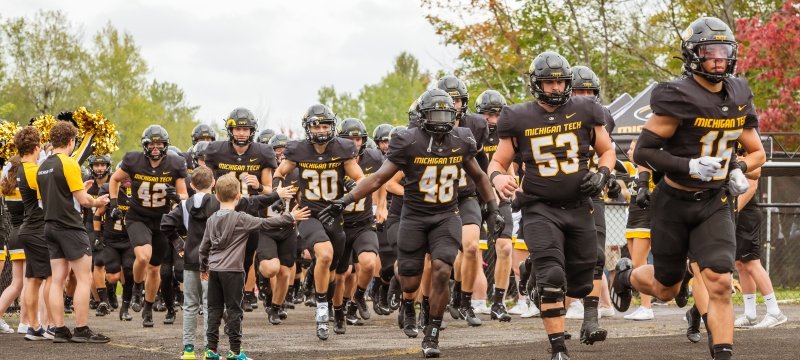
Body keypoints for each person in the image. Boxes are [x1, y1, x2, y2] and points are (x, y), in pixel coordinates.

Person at [611, 17, 766, 360]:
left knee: (720, 281)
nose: (718, 59)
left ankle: (723, 353)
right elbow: (643, 151)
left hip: (714, 201)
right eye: (710, 51)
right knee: (668, 288)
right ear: (693, 55)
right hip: (673, 202)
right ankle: (626, 277)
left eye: (725, 51)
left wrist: (738, 168)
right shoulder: (676, 94)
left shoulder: (739, 92)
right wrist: (688, 165)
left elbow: (758, 152)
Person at [317, 88, 503, 358]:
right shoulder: (408, 140)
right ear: (423, 116)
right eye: (436, 113)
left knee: (441, 269)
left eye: (446, 113)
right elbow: (379, 178)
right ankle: (407, 303)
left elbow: (480, 177)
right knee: (410, 280)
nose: (441, 119)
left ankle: (432, 333)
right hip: (414, 217)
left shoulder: (462, 139)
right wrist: (345, 200)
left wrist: (492, 208)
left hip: (446, 215)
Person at [487, 51, 617, 360]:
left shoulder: (587, 110)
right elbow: (497, 160)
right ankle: (559, 348)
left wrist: (602, 174)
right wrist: (497, 178)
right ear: (536, 84)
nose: (556, 88)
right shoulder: (518, 117)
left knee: (584, 280)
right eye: (550, 82)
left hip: (579, 205)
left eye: (561, 82)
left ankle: (532, 270)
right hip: (539, 207)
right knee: (552, 280)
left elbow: (608, 151)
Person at [271, 104, 366, 341]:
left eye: (325, 125)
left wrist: (346, 198)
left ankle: (337, 309)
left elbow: (361, 178)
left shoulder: (343, 148)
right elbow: (279, 173)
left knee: (334, 273)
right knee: (324, 254)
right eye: (317, 125)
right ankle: (322, 311)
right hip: (308, 213)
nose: (321, 130)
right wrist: (278, 192)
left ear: (332, 127)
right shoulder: (298, 150)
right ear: (308, 128)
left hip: (334, 214)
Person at [199, 173, 310, 360]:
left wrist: (204, 268)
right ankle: (234, 351)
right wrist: (291, 217)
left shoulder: (211, 219)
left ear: (216, 196)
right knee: (234, 310)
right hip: (233, 271)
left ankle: (211, 350)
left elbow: (204, 247)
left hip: (215, 270)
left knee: (214, 310)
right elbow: (267, 223)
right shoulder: (241, 218)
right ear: (238, 197)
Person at [37, 121, 111, 343]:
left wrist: (81, 190)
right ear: (71, 141)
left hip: (49, 225)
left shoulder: (43, 166)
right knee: (83, 278)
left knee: (57, 280)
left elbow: (49, 197)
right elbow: (83, 201)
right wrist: (97, 200)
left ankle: (59, 329)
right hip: (69, 225)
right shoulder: (69, 163)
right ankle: (81, 329)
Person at [108, 125, 188, 328]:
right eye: (151, 143)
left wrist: (176, 197)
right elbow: (114, 179)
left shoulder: (176, 163)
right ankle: (136, 288)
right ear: (144, 145)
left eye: (159, 144)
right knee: (143, 256)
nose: (155, 148)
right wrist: (114, 203)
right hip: (138, 217)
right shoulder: (133, 160)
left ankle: (148, 309)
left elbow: (184, 195)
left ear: (165, 145)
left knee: (155, 269)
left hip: (162, 220)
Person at [204, 108, 277, 313]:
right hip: (223, 216)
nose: (242, 133)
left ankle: (240, 295)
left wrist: (260, 187)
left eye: (246, 129)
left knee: (245, 260)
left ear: (252, 131)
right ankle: (221, 300)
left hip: (250, 216)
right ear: (230, 130)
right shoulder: (216, 151)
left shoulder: (262, 152)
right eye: (238, 129)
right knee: (220, 257)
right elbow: (206, 185)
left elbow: (270, 190)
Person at [335, 118, 386, 331]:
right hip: (339, 223)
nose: (354, 143)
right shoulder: (331, 158)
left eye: (357, 138)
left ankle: (358, 296)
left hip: (363, 222)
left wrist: (382, 205)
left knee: (368, 263)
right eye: (349, 139)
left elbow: (381, 180)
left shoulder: (374, 157)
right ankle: (338, 311)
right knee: (342, 274)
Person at [473, 89, 515, 322]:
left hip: (499, 197)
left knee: (505, 247)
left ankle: (498, 302)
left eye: (497, 114)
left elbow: (508, 166)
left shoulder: (506, 135)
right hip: (474, 197)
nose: (493, 120)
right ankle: (466, 296)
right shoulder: (470, 133)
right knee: (469, 251)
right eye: (488, 114)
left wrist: (511, 186)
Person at [732, 150, 786, 329]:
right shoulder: (727, 143)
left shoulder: (748, 146)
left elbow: (752, 184)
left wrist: (732, 212)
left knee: (752, 263)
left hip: (746, 214)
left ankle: (775, 312)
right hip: (736, 213)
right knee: (740, 264)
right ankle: (750, 313)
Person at [14, 127, 53, 341]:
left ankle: (33, 326)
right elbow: (46, 197)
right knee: (49, 278)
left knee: (32, 280)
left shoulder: (22, 167)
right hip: (37, 229)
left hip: (28, 228)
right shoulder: (31, 170)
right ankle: (43, 325)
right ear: (37, 147)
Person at [93, 166, 135, 321]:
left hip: (129, 239)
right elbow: (98, 215)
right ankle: (109, 292)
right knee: (112, 277)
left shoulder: (137, 191)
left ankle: (125, 309)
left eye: (129, 177)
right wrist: (97, 236)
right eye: (124, 177)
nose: (127, 180)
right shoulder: (109, 190)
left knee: (129, 273)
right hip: (111, 239)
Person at [0, 156, 27, 334]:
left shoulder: (7, 189)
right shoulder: (26, 189)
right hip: (28, 234)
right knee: (28, 282)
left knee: (17, 283)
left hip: (13, 235)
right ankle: (28, 321)